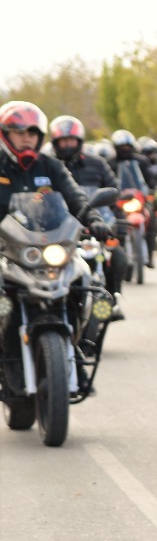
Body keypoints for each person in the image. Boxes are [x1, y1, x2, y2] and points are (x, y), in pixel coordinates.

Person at [1, 102, 113, 392]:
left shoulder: (51, 166)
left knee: (83, 280)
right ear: (5, 134)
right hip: (7, 252)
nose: (26, 138)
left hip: (49, 249)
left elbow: (75, 197)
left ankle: (73, 350)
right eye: (19, 131)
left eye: (32, 132)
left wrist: (94, 219)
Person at [49, 116, 126, 318]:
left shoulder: (97, 164)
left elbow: (113, 191)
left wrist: (116, 219)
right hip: (59, 230)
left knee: (117, 255)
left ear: (79, 141)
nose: (67, 145)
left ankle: (111, 300)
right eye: (63, 141)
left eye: (71, 140)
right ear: (55, 142)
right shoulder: (49, 166)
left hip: (94, 225)